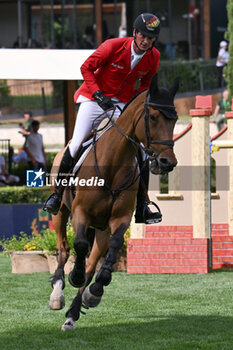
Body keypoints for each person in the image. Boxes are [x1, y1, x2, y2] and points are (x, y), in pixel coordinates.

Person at [44, 13, 162, 224]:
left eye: (150, 39)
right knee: (76, 144)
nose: (146, 41)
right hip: (93, 99)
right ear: (134, 33)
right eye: (143, 36)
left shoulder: (154, 57)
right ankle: (58, 194)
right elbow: (86, 68)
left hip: (121, 105)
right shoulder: (113, 46)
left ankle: (143, 206)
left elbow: (146, 84)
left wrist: (135, 105)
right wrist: (98, 94)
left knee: (141, 153)